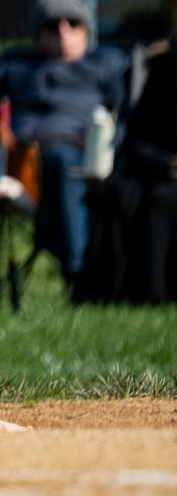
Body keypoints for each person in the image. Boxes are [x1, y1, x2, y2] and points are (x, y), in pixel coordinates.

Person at [0, 0, 128, 285]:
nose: (63, 32)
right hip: (18, 163)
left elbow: (127, 112)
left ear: (86, 30)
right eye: (52, 26)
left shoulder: (106, 65)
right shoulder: (12, 65)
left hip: (84, 158)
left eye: (73, 23)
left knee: (62, 162)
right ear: (37, 33)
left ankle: (77, 270)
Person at [74, 35, 177, 305]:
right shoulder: (164, 74)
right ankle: (134, 292)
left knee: (162, 198)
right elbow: (137, 142)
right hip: (161, 171)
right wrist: (166, 164)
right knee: (115, 193)